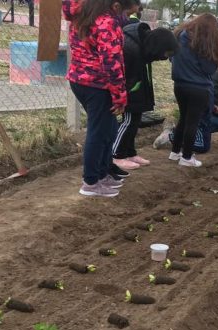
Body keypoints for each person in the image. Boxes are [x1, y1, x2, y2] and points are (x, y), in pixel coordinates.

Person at [64, 0, 138, 197]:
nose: (125, 17)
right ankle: (90, 182)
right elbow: (111, 63)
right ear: (115, 6)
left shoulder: (83, 16)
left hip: (80, 80)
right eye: (125, 12)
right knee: (98, 133)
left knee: (108, 129)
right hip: (97, 85)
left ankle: (103, 172)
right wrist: (120, 96)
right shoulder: (107, 23)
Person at [109, 25, 178, 178]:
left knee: (135, 119)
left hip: (135, 86)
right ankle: (116, 155)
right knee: (128, 120)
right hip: (125, 88)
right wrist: (121, 96)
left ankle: (129, 152)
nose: (165, 57)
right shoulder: (131, 48)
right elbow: (122, 75)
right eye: (166, 52)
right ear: (159, 46)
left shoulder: (142, 46)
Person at [169, 13, 218, 167]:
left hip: (179, 86)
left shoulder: (180, 36)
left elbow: (171, 58)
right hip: (198, 89)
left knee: (183, 118)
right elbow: (209, 69)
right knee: (192, 122)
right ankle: (186, 157)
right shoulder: (203, 43)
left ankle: (175, 152)